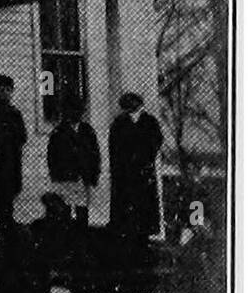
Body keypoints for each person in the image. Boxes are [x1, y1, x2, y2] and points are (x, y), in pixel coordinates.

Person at [109, 92, 165, 252]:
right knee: (126, 205)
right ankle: (127, 237)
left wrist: (145, 158)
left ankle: (144, 236)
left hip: (143, 171)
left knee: (144, 205)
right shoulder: (119, 123)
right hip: (125, 173)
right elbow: (114, 147)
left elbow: (156, 142)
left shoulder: (150, 122)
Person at [46, 96, 100, 228]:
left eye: (80, 110)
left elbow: (95, 154)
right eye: (73, 110)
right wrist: (56, 176)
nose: (77, 114)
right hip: (66, 177)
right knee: (65, 211)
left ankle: (82, 241)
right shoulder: (58, 132)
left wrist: (94, 174)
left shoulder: (87, 131)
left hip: (84, 176)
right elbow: (52, 157)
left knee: (82, 211)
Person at [0, 75, 27, 238]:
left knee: (12, 187)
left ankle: (9, 219)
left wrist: (11, 140)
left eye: (8, 90)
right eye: (2, 90)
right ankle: (1, 219)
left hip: (12, 156)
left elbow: (23, 136)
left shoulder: (15, 113)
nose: (5, 93)